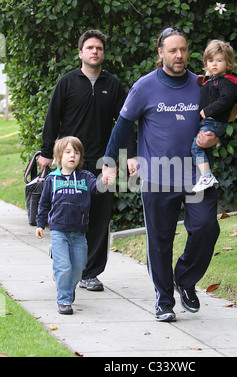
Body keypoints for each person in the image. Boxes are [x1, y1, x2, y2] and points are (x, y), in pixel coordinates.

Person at [102, 27, 220, 322]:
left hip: (197, 175)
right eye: (172, 50)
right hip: (158, 177)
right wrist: (111, 161)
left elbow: (217, 123)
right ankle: (164, 301)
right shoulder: (144, 87)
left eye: (183, 49)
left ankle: (185, 279)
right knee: (160, 240)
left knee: (207, 228)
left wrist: (215, 137)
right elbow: (123, 127)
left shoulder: (202, 83)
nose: (179, 55)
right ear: (161, 53)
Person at [38, 30, 136, 292]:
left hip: (104, 162)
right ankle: (62, 251)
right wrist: (47, 153)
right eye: (90, 47)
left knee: (100, 218)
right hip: (71, 163)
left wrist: (129, 155)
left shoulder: (113, 85)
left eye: (99, 48)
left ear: (103, 54)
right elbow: (52, 119)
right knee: (68, 212)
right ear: (80, 52)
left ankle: (90, 273)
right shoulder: (67, 83)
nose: (95, 52)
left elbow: (125, 123)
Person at [36, 137, 101, 314]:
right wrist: (40, 224)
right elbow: (44, 204)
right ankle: (64, 299)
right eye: (68, 152)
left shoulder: (86, 177)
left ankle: (66, 285)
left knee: (78, 268)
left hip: (79, 232)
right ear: (59, 157)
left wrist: (107, 178)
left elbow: (98, 188)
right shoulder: (52, 179)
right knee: (63, 267)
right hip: (59, 231)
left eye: (77, 152)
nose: (73, 155)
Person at [191, 39, 237, 193]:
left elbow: (226, 100)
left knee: (196, 147)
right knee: (205, 149)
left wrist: (208, 110)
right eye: (210, 61)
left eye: (219, 60)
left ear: (228, 63)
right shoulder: (215, 80)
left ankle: (207, 176)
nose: (214, 64)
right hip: (211, 122)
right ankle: (207, 177)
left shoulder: (227, 82)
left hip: (213, 121)